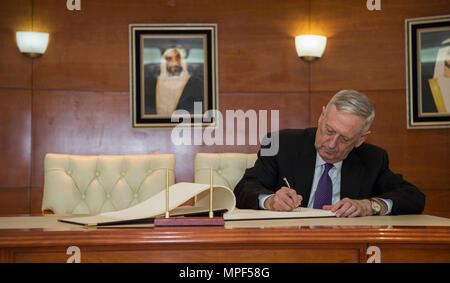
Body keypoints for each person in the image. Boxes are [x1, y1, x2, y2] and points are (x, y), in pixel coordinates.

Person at [234, 89, 425, 217]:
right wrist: (270, 201)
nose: (332, 144)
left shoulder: (373, 159)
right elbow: (245, 188)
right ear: (321, 117)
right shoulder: (281, 144)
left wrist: (370, 206)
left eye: (344, 139)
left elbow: (413, 197)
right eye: (329, 131)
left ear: (360, 139)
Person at [144, 47, 204, 116]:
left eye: (178, 58)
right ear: (164, 63)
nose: (174, 63)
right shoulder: (150, 85)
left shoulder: (196, 84)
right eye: (169, 59)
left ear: (182, 61)